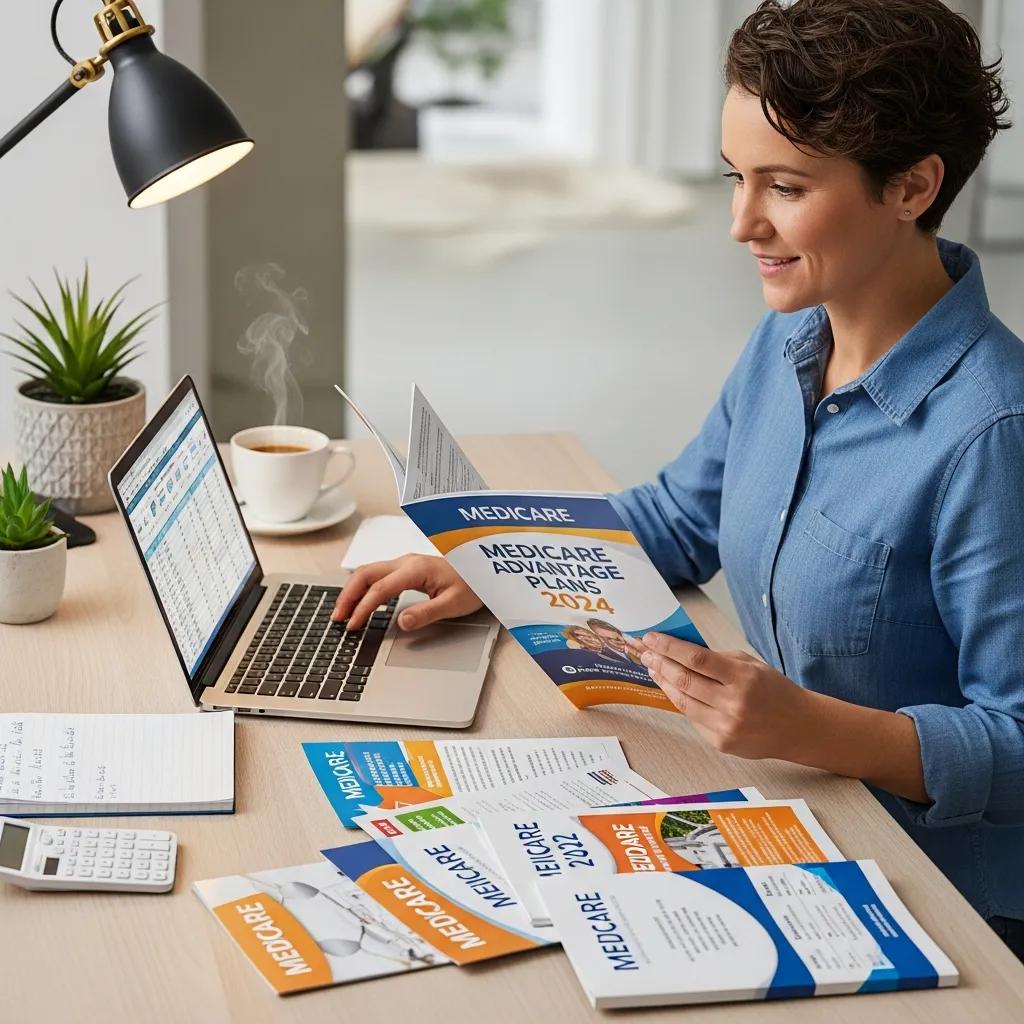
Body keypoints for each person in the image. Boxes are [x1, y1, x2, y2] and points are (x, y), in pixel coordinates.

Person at [332, 0, 1024, 960]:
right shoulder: (793, 336)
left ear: (912, 186)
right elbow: (679, 516)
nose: (740, 221)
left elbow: (1016, 741)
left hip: (946, 905)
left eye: (783, 187)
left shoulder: (992, 433)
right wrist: (491, 564)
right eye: (739, 177)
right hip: (798, 812)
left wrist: (808, 726)